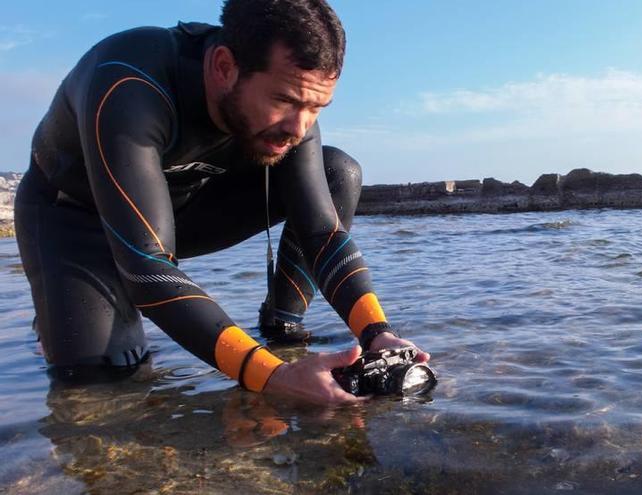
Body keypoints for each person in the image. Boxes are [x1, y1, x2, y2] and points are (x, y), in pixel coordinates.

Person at [14, 0, 429, 405]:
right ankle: (56, 312)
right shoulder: (129, 83)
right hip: (74, 220)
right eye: (284, 101)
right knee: (105, 388)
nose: (299, 127)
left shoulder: (294, 119)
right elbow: (147, 267)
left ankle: (284, 327)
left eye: (316, 107)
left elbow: (321, 232)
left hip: (186, 207)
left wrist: (377, 333)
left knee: (338, 170)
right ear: (224, 67)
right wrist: (272, 376)